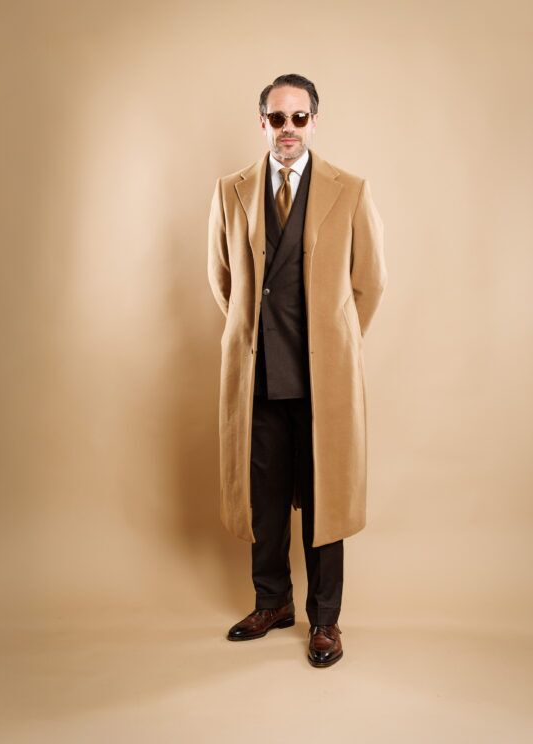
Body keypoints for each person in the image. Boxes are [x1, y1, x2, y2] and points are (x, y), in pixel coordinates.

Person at [207, 73, 387, 667]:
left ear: (314, 121)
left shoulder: (350, 190)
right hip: (257, 373)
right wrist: (251, 337)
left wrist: (335, 343)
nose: (288, 129)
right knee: (262, 498)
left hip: (322, 379)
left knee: (323, 498)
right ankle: (272, 602)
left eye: (299, 117)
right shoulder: (231, 190)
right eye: (278, 118)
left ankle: (325, 620)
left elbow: (369, 283)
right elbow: (222, 280)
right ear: (263, 122)